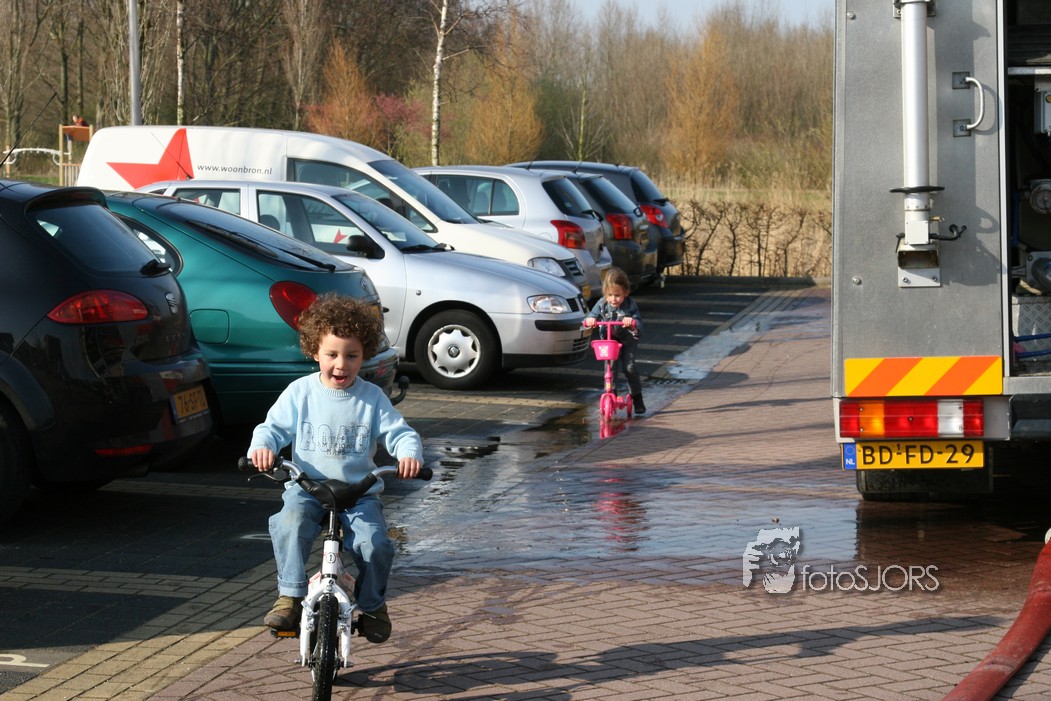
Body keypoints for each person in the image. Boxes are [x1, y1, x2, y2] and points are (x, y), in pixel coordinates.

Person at [247, 293, 423, 643]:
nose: (341, 364)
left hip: (358, 493)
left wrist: (408, 454)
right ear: (315, 351)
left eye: (351, 356)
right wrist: (263, 447)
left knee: (376, 544)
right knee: (289, 523)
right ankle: (290, 595)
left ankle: (372, 605)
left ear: (364, 355)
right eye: (332, 355)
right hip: (308, 487)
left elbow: (400, 433)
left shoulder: (372, 398)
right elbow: (272, 428)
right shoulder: (300, 392)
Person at [583, 267, 646, 414]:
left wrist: (632, 323)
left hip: (627, 340)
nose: (613, 299)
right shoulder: (602, 304)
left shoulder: (630, 305)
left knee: (629, 368)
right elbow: (590, 316)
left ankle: (637, 397)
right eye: (610, 295)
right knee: (610, 368)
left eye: (617, 295)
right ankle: (612, 393)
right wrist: (590, 320)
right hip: (609, 340)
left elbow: (639, 323)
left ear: (626, 293)